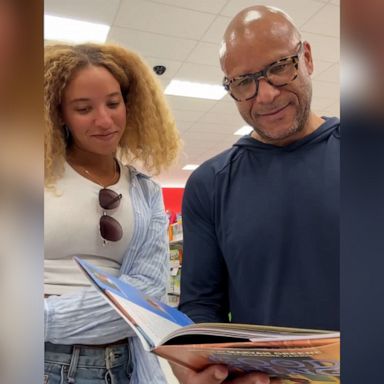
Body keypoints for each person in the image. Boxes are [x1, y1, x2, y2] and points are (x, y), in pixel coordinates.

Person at [174, 5, 340, 384]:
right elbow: (202, 305)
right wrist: (195, 364)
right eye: (243, 82)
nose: (265, 95)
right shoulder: (209, 183)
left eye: (279, 68)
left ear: (307, 57)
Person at [44, 43, 180, 384]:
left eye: (113, 103)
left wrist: (38, 316)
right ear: (59, 113)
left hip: (119, 365)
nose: (104, 120)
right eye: (83, 108)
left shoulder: (145, 192)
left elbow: (148, 294)